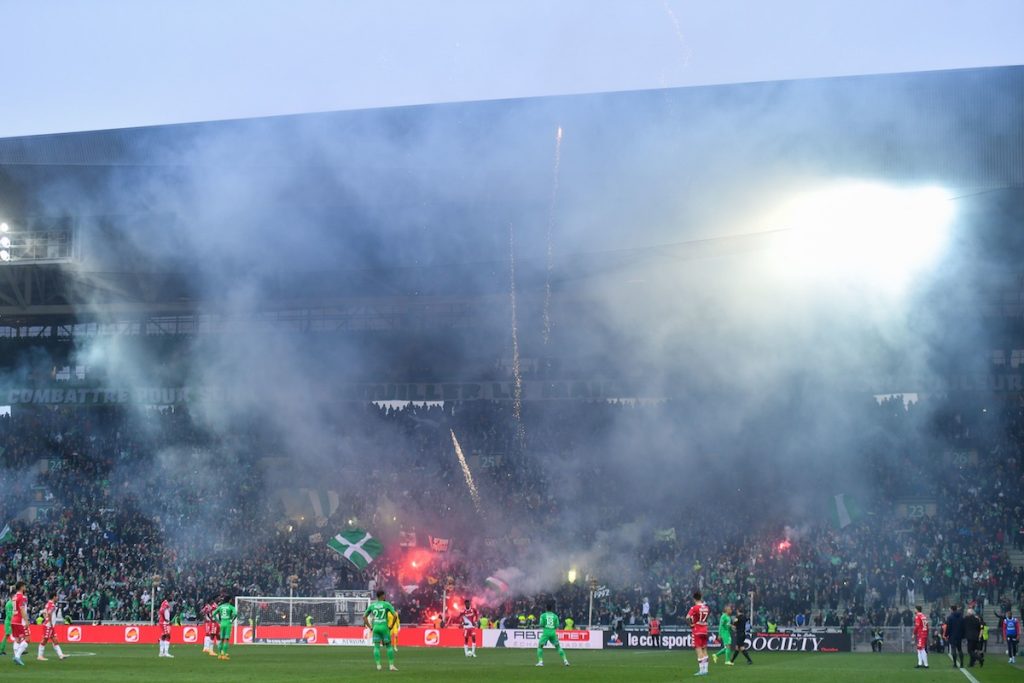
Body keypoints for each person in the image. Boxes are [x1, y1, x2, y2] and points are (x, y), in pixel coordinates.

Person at [363, 590, 398, 672]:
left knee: (376, 647)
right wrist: (391, 626)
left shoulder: (372, 605)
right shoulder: (386, 604)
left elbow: (364, 617)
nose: (385, 596)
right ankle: (391, 665)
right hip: (384, 627)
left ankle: (378, 665)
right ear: (382, 596)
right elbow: (395, 615)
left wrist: (370, 627)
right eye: (384, 595)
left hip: (376, 627)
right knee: (389, 646)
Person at [534, 602, 569, 667]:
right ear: (551, 609)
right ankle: (565, 661)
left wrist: (545, 626)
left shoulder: (543, 615)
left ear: (546, 608)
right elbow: (557, 625)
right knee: (558, 647)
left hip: (546, 633)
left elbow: (541, 624)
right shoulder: (555, 616)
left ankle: (540, 662)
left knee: (540, 646)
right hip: (553, 633)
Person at [687, 591, 711, 676]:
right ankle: (706, 670)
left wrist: (691, 624)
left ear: (694, 599)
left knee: (699, 649)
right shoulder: (706, 608)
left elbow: (687, 617)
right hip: (705, 629)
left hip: (697, 630)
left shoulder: (694, 608)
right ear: (701, 598)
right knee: (704, 649)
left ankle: (701, 670)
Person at [37, 592, 66, 661]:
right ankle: (39, 656)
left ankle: (61, 655)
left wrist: (46, 618)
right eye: (56, 597)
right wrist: (50, 621)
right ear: (54, 597)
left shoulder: (48, 604)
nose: (57, 598)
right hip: (48, 625)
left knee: (55, 640)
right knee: (45, 640)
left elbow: (44, 612)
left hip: (49, 625)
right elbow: (49, 613)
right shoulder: (52, 605)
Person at [9, 581, 29, 666]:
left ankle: (16, 657)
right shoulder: (21, 597)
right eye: (24, 586)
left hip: (13, 620)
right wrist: (26, 620)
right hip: (19, 621)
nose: (25, 587)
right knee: (26, 640)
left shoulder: (14, 596)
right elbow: (22, 609)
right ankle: (17, 657)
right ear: (21, 587)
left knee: (17, 640)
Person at [0, 591, 12, 656]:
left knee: (8, 636)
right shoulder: (9, 603)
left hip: (10, 621)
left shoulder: (11, 603)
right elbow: (9, 614)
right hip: (9, 622)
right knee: (6, 635)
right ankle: (1, 650)